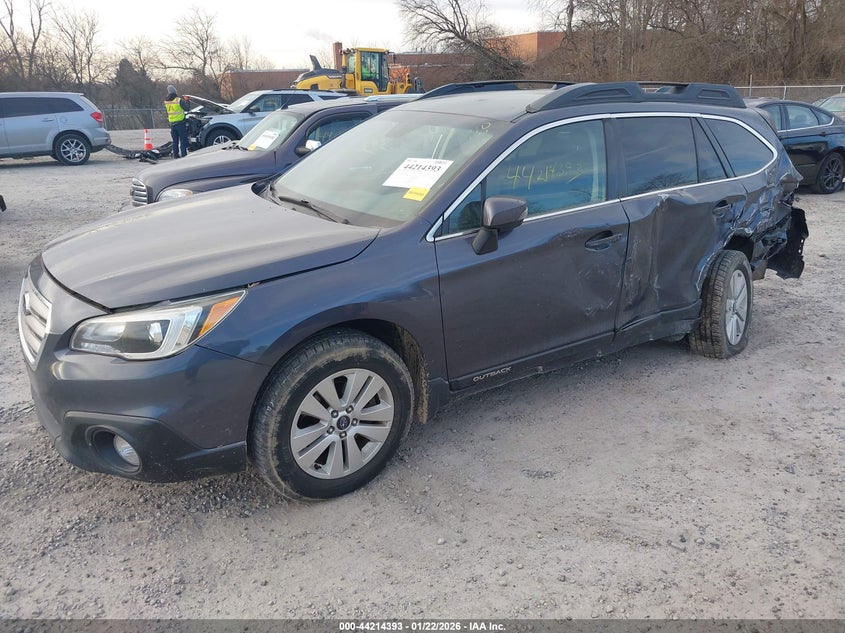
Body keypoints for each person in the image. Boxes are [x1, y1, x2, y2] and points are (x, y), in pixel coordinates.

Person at [164, 85, 191, 158]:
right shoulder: (178, 100)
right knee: (183, 140)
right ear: (175, 91)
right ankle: (184, 154)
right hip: (180, 123)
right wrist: (187, 100)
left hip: (172, 124)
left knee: (175, 141)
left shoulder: (166, 101)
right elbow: (187, 108)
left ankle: (175, 155)